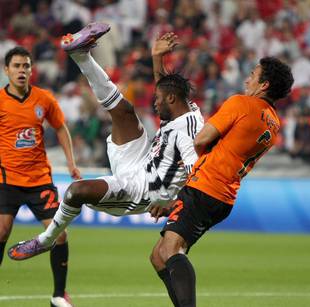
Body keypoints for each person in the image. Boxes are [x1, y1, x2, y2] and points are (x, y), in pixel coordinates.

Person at [8, 24, 203, 269]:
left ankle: (46, 239)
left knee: (76, 192)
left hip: (143, 189)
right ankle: (81, 55)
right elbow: (166, 90)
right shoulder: (183, 108)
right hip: (141, 160)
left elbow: (197, 171)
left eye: (158, 100)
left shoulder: (189, 128)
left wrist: (174, 204)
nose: (155, 103)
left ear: (172, 100)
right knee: (124, 112)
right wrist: (157, 57)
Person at [150, 56, 294, 306]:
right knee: (159, 257)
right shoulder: (273, 122)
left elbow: (200, 140)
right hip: (223, 197)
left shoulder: (241, 103)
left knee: (170, 250)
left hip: (205, 188)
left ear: (264, 85)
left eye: (253, 74)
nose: (248, 78)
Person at [0, 46, 81, 307]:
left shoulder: (44, 99)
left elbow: (60, 127)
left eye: (26, 66)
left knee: (59, 235)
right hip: (6, 180)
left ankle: (59, 295)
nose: (22, 71)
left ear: (32, 70)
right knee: (1, 231)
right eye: (17, 66)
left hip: (40, 181)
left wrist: (71, 163)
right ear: (7, 70)